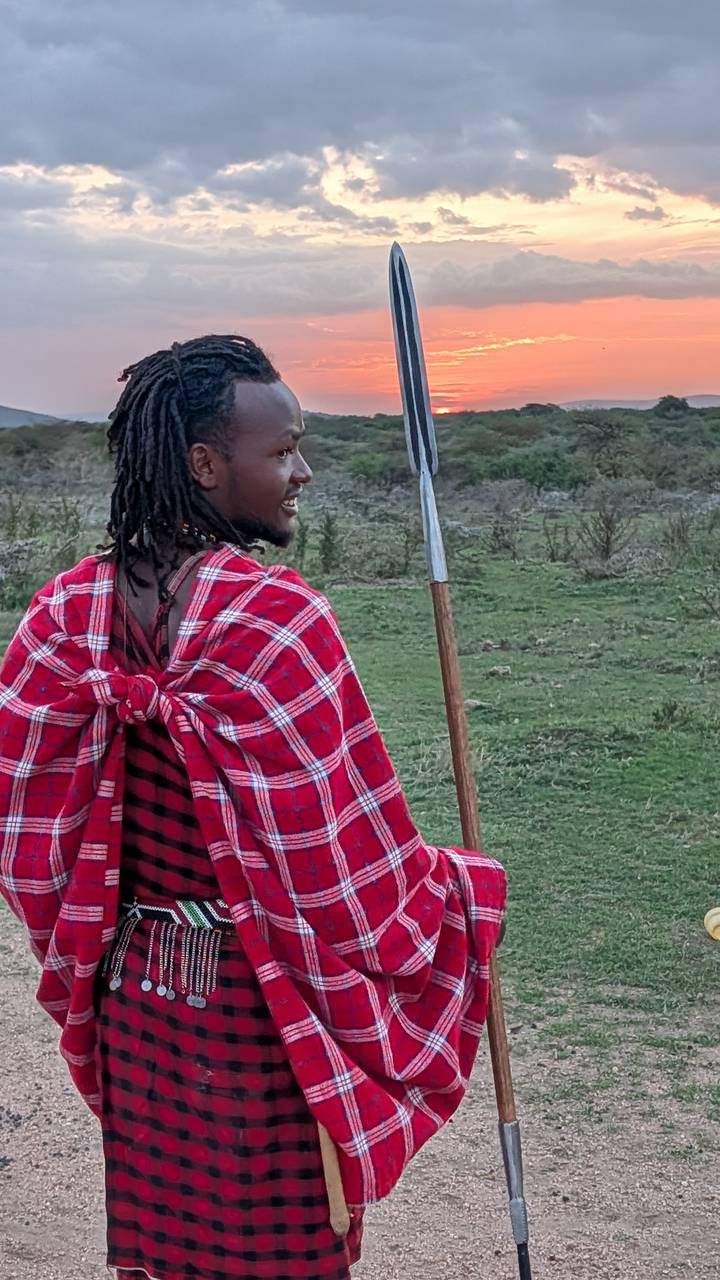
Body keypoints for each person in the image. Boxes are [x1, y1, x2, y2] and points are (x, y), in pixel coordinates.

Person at [0, 334, 507, 1280]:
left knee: (172, 1252)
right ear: (204, 464)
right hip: (267, 1006)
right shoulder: (278, 620)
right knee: (285, 1255)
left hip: (136, 997)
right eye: (282, 451)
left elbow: (31, 849)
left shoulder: (61, 617)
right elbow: (347, 882)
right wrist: (459, 893)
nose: (301, 472)